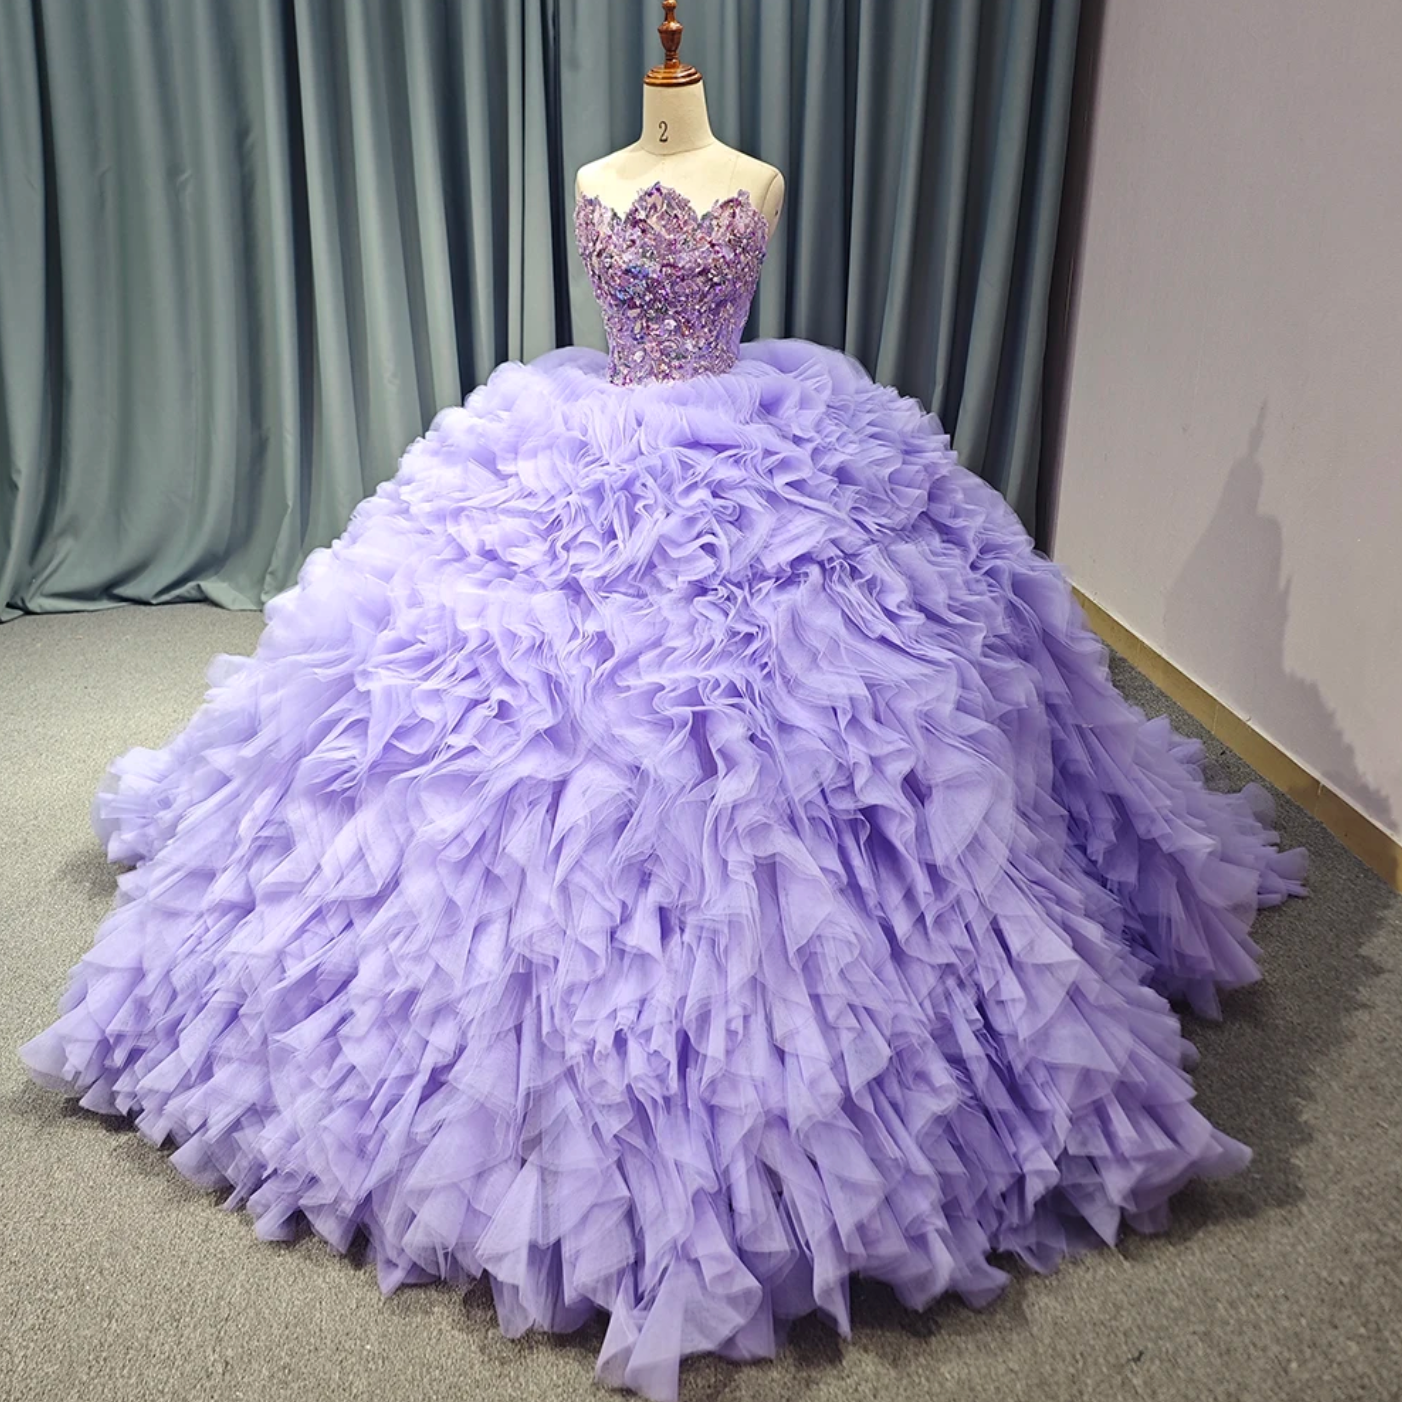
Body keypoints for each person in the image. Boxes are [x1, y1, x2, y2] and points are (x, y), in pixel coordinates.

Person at [21, 8, 1305, 1400]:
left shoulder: (746, 174)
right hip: (591, 445)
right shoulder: (594, 173)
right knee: (512, 745)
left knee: (831, 736)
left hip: (756, 445)